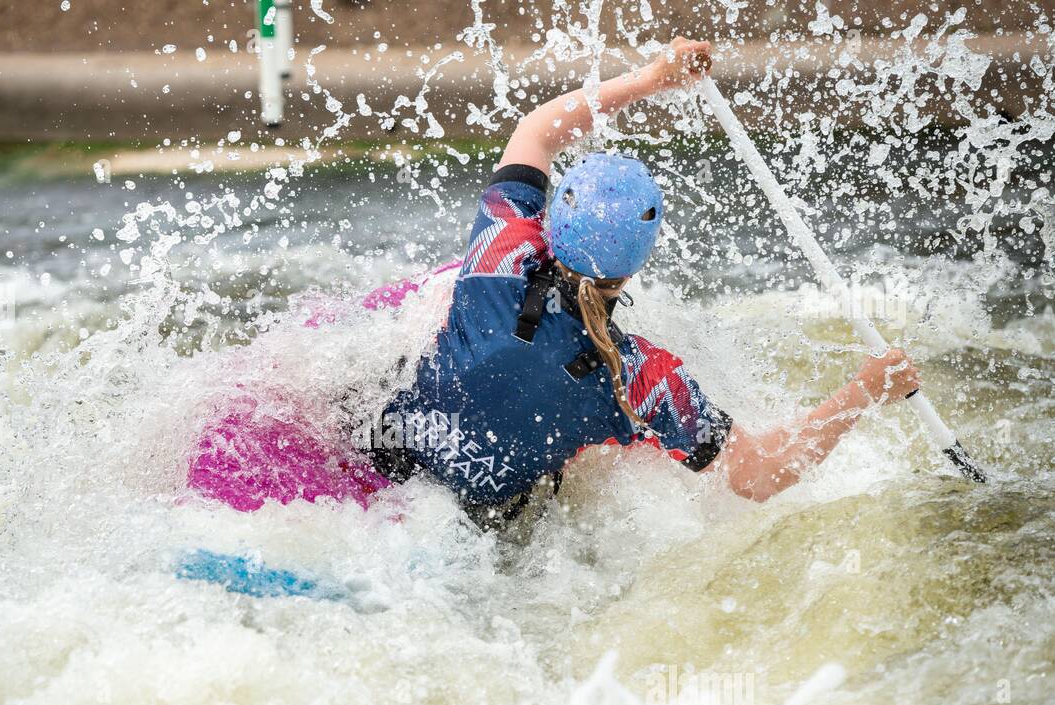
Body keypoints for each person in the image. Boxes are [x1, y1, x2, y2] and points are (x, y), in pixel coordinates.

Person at [368, 37, 922, 525]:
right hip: (477, 523)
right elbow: (757, 477)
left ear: (553, 219)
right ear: (633, 267)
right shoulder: (641, 380)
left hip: (383, 460)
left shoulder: (501, 246)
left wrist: (652, 79)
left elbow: (536, 130)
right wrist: (867, 389)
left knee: (439, 304)